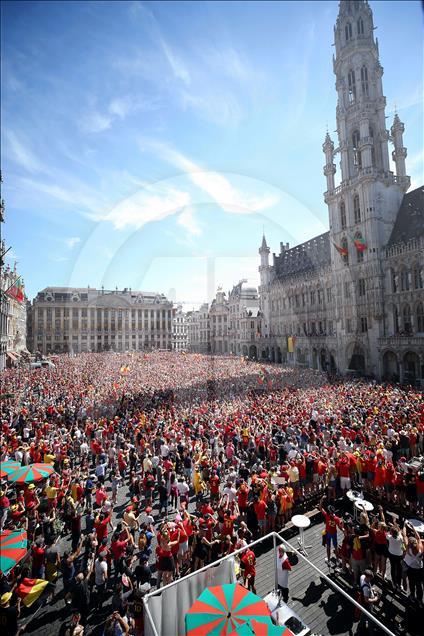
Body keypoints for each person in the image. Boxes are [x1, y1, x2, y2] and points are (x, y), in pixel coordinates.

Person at [319, 496, 343, 566]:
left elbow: (320, 508)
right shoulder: (337, 518)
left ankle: (329, 560)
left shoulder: (327, 515)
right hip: (334, 533)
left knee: (328, 547)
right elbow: (340, 525)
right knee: (336, 547)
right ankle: (338, 560)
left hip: (328, 533)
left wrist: (321, 500)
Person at [359, 569, 380, 634]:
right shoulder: (366, 589)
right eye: (370, 578)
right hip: (366, 604)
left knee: (363, 614)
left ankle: (361, 625)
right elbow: (367, 600)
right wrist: (375, 599)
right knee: (370, 617)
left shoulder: (362, 577)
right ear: (367, 577)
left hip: (362, 601)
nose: (371, 579)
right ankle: (371, 631)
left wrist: (372, 589)